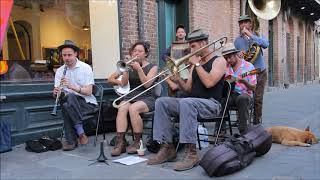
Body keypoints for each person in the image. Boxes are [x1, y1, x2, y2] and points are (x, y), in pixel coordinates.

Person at [147, 29, 227, 171]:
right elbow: (188, 89)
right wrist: (177, 79)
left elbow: (209, 82)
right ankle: (167, 147)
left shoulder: (219, 61)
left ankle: (192, 153)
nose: (191, 49)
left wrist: (197, 65)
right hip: (191, 103)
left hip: (212, 104)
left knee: (186, 102)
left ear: (203, 43)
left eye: (193, 46)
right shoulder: (194, 65)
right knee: (162, 102)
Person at [107, 41, 158, 156]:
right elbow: (120, 82)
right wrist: (125, 72)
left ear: (145, 54)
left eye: (140, 51)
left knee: (133, 109)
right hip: (131, 95)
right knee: (122, 108)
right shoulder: (129, 66)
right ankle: (120, 142)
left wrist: (139, 69)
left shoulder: (153, 67)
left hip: (147, 96)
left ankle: (137, 142)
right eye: (134, 51)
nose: (136, 53)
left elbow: (147, 84)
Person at [53, 40, 97, 151]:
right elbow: (59, 93)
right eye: (64, 55)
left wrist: (72, 87)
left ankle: (72, 140)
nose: (67, 58)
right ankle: (81, 133)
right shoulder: (59, 71)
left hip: (87, 103)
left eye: (69, 55)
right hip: (70, 104)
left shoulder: (86, 68)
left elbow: (89, 92)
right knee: (67, 100)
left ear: (76, 54)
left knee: (69, 98)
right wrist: (56, 93)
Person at [234, 15, 269, 125]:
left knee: (258, 99)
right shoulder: (237, 41)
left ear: (250, 24)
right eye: (241, 23)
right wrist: (238, 55)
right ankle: (242, 119)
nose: (243, 25)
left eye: (245, 22)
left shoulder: (258, 35)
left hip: (259, 71)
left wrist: (250, 35)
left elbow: (265, 44)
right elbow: (239, 57)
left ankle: (257, 121)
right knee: (241, 95)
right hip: (247, 73)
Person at [222, 43, 257, 133]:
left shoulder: (249, 66)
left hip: (244, 94)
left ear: (235, 54)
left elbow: (253, 87)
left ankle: (243, 131)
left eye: (230, 57)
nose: (228, 60)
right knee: (221, 99)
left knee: (243, 98)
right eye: (226, 58)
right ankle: (220, 130)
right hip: (230, 94)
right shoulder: (225, 66)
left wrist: (244, 82)